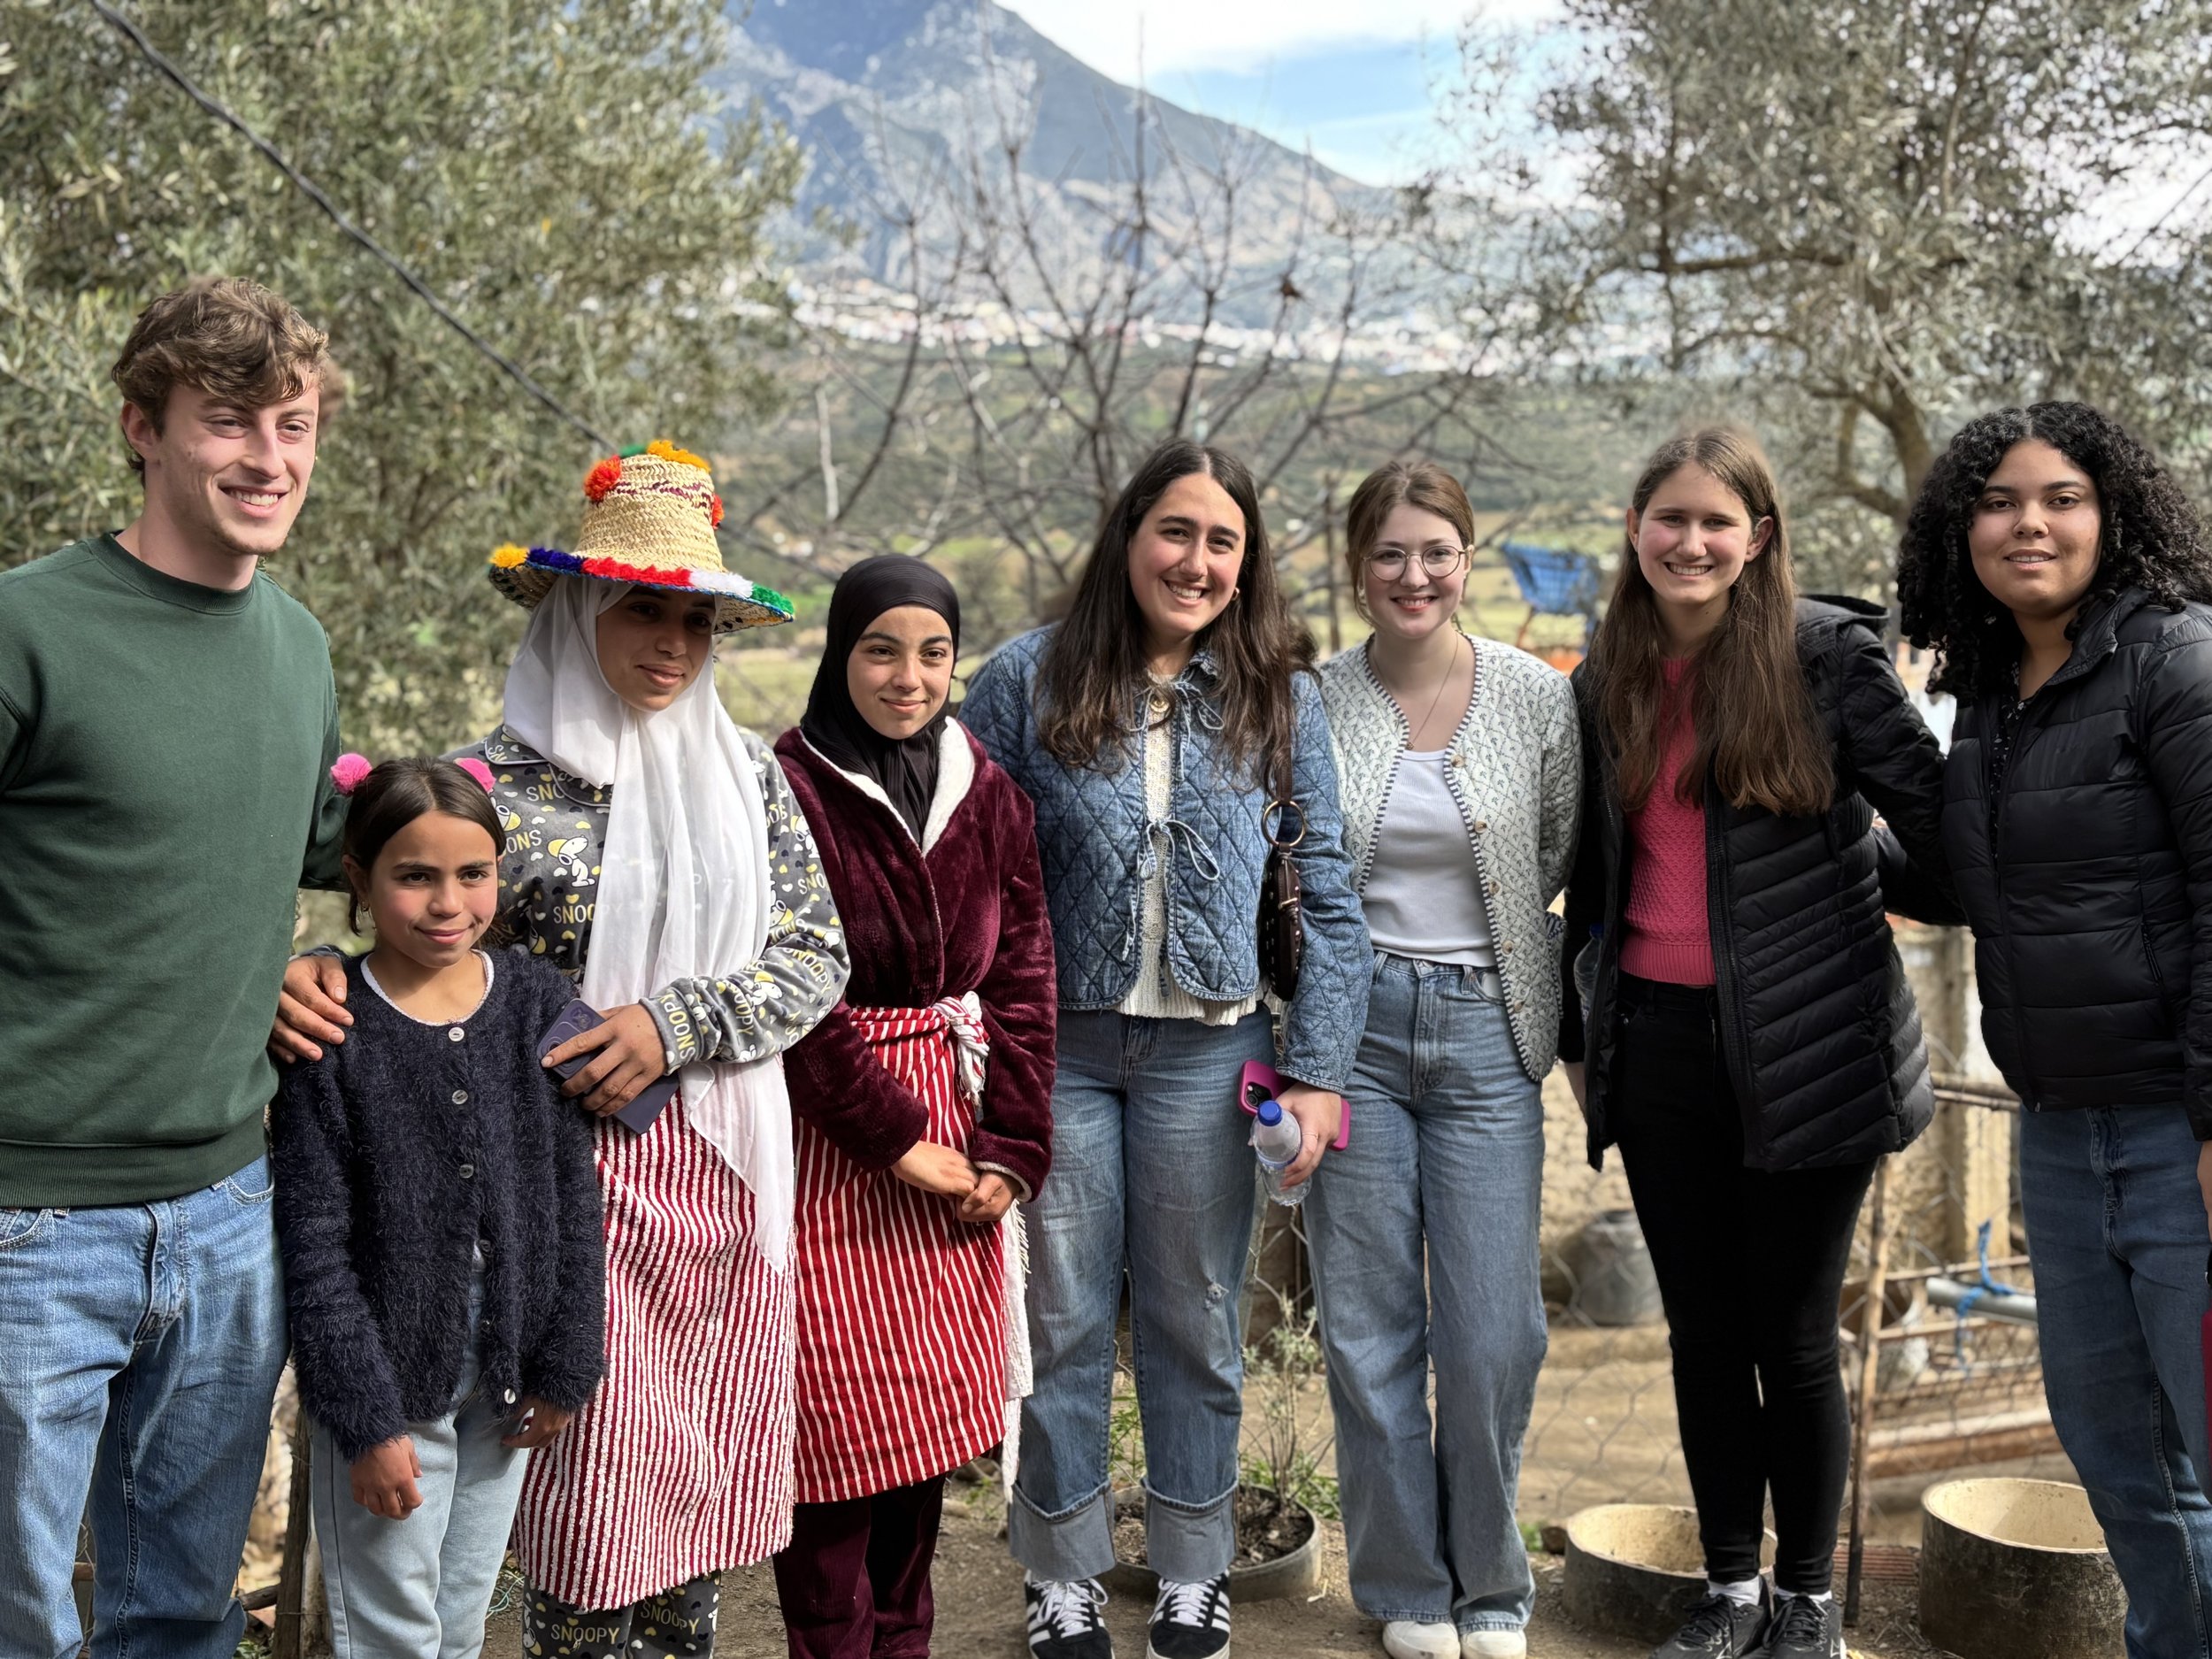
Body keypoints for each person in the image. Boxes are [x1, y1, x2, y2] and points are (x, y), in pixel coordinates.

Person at [274, 440, 849, 1658]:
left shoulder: (750, 779)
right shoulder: (499, 789)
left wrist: (672, 1021)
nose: (674, 644)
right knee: (573, 1502)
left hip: (725, 1177)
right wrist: (308, 963)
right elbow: (410, 934)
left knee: (690, 1488)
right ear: (582, 605)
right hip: (556, 1189)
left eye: (698, 622)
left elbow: (817, 955)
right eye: (645, 609)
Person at [962, 438, 1371, 1659]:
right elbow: (965, 859)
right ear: (1130, 535)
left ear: (1245, 564)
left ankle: (1195, 1572)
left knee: (1195, 1318)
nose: (1196, 560)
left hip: (1210, 1053)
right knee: (1066, 1315)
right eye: (1176, 532)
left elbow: (1333, 894)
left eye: (1222, 541)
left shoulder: (1276, 698)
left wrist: (1320, 1072)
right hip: (1062, 1050)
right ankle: (1063, 1571)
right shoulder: (1026, 678)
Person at [1556, 428, 1951, 1659]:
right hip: (1660, 1045)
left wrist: (1844, 873)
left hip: (1812, 1045)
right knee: (1703, 1331)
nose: (1691, 542)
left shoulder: (1825, 655)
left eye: (1717, 522)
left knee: (1791, 1329)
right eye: (1668, 518)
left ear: (1760, 537)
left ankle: (1809, 1599)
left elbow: (1936, 829)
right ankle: (1729, 1585)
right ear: (1635, 529)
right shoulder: (1600, 674)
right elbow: (1590, 869)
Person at [0, 277, 347, 1656]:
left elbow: (311, 842)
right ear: (144, 427)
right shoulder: (29, 629)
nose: (271, 458)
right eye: (230, 421)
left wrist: (300, 951)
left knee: (183, 1615)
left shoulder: (301, 647)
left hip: (225, 1204)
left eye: (296, 424)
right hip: (29, 1219)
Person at [1896, 402, 2212, 1658]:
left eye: (2061, 496)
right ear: (1960, 529)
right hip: (2063, 1135)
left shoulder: (2174, 660)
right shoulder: (1994, 692)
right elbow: (1984, 882)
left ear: (2113, 511)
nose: (2029, 522)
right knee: (2119, 1454)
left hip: (2177, 1131)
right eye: (2000, 500)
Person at [1309, 463, 1579, 1659]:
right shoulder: (1314, 698)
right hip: (1347, 1039)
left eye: (1437, 550)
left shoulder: (1534, 696)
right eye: (1389, 553)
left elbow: (1558, 849)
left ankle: (1494, 1585)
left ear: (1468, 557)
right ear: (1357, 565)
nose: (1413, 574)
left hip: (1486, 1031)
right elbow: (1297, 875)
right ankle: (1409, 1585)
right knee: (1368, 1324)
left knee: (1491, 1331)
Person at [770, 555, 1056, 1659]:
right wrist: (902, 1144)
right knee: (838, 1434)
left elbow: (1024, 970)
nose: (907, 676)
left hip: (965, 1114)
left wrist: (1008, 1148)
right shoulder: (788, 788)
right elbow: (790, 988)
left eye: (932, 652)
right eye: (881, 650)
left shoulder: (983, 789)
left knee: (923, 1434)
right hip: (832, 1141)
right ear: (842, 656)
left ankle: (907, 1643)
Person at [273, 757, 604, 1657]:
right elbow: (313, 1243)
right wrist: (367, 1424)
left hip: (502, 1390)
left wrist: (568, 1360)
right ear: (360, 880)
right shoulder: (331, 1031)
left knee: (459, 1626)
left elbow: (572, 1195)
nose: (448, 902)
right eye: (414, 876)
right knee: (390, 1636)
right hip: (388, 1392)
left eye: (473, 874)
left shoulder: (536, 1000)